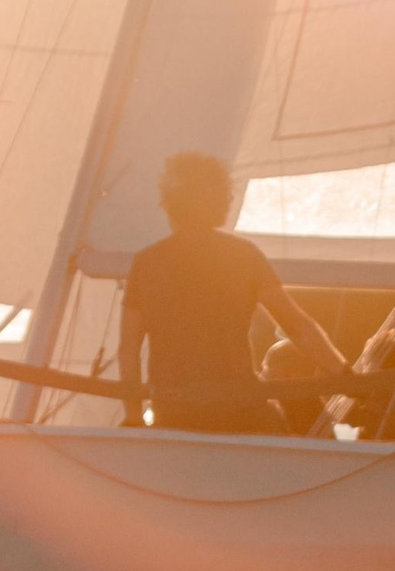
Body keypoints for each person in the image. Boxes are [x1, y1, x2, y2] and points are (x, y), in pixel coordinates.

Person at [120, 150, 350, 434]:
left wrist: (132, 416)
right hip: (240, 412)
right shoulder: (244, 256)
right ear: (221, 203)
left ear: (168, 202)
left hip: (174, 413)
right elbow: (296, 324)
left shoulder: (147, 263)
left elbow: (128, 350)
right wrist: (343, 373)